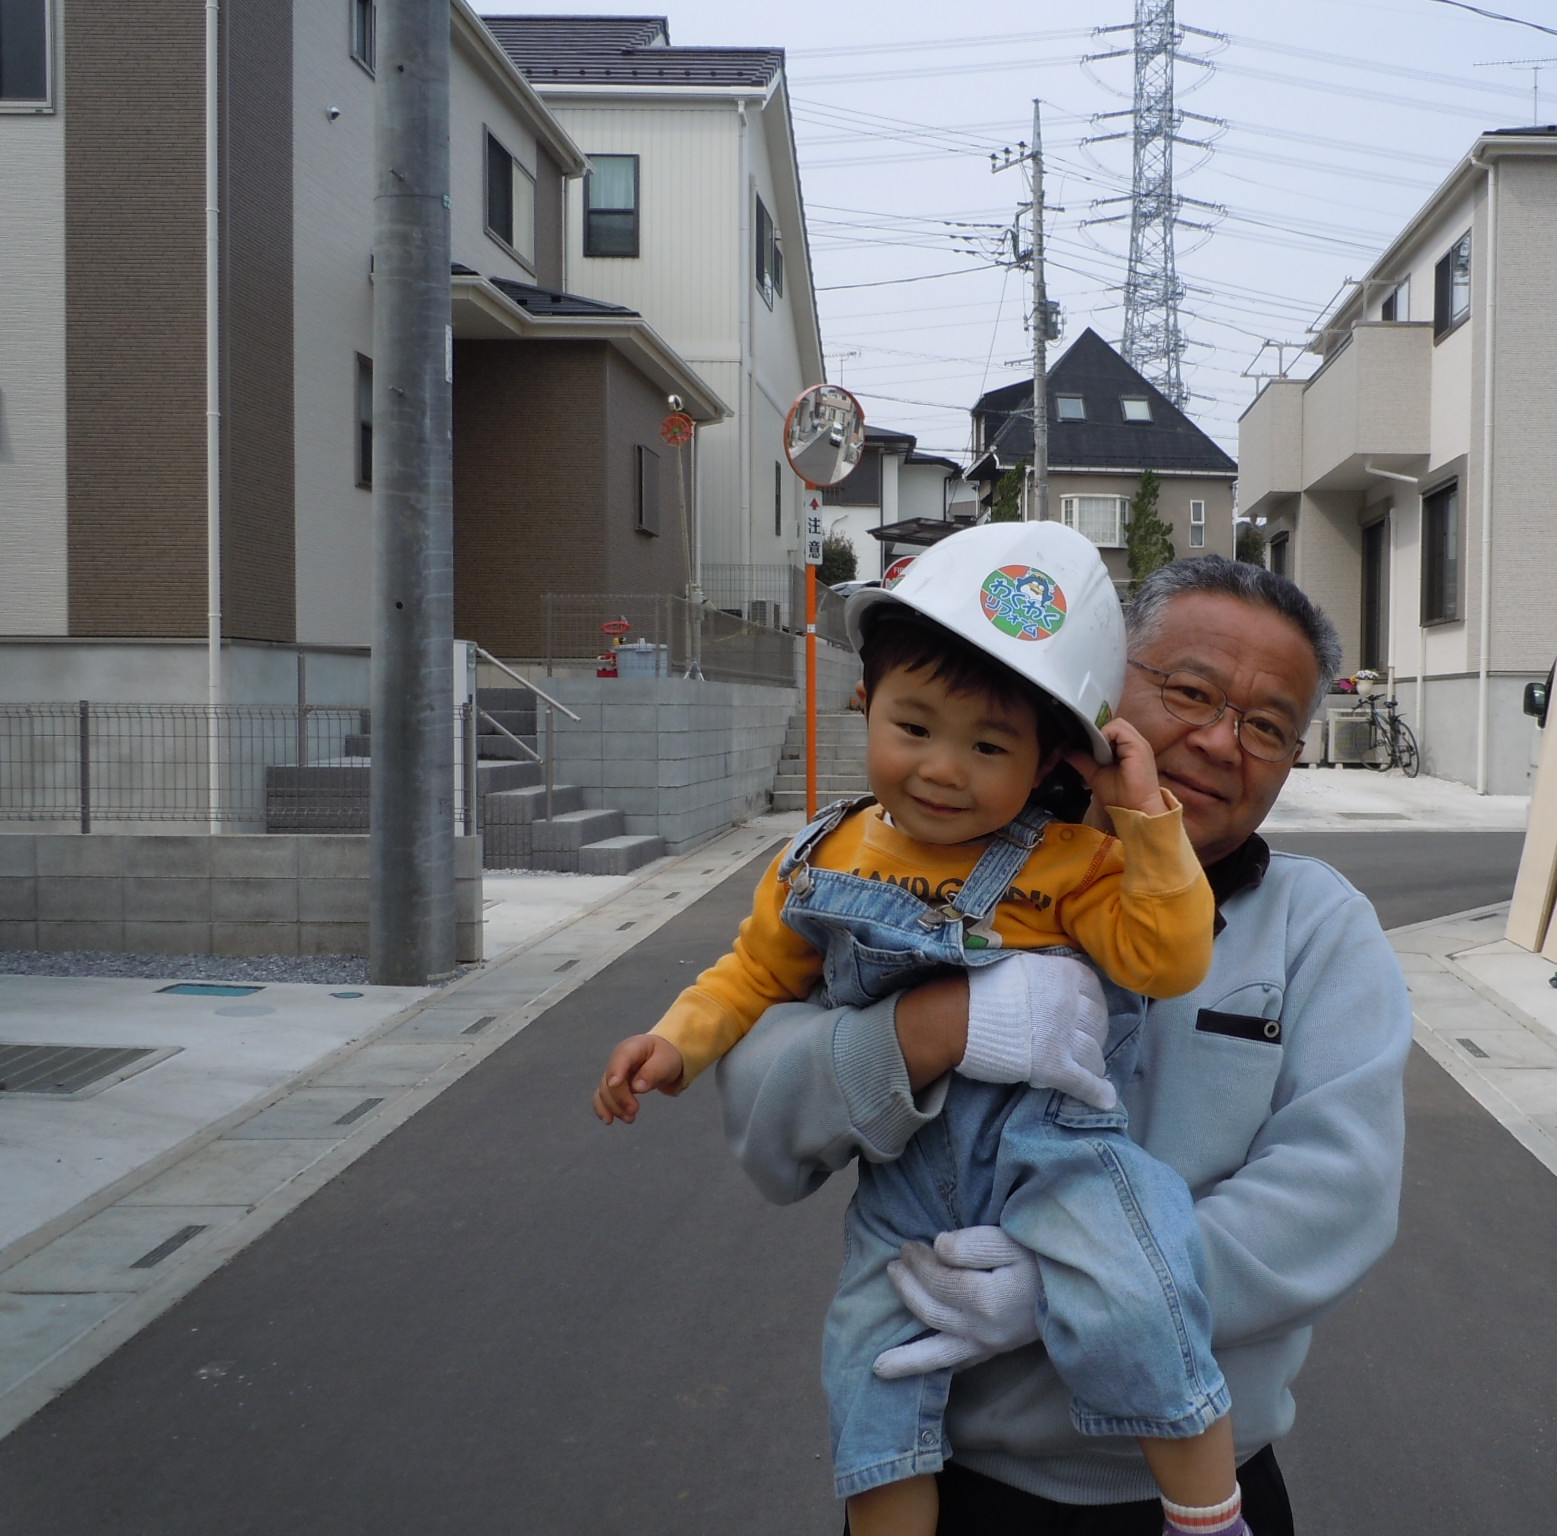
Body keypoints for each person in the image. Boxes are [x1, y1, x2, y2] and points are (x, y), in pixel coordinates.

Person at [717, 557, 1413, 1533]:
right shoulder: (917, 871)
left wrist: (1072, 1285)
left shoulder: (1316, 927)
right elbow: (761, 1119)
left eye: (1265, 726)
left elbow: (1336, 1194)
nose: (1219, 741)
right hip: (956, 1481)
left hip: (1202, 1487)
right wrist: (935, 1027)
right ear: (1097, 690)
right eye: (1187, 693)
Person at [594, 523, 1256, 1536]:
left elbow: (1164, 959)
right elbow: (755, 971)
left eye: (988, 746)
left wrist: (1145, 820)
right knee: (866, 1369)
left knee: (1140, 1291)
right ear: (864, 702)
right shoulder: (821, 855)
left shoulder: (1070, 858)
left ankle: (1209, 1521)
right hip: (904, 1177)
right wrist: (675, 1044)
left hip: (1058, 1155)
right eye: (914, 726)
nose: (944, 769)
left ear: (1046, 761)